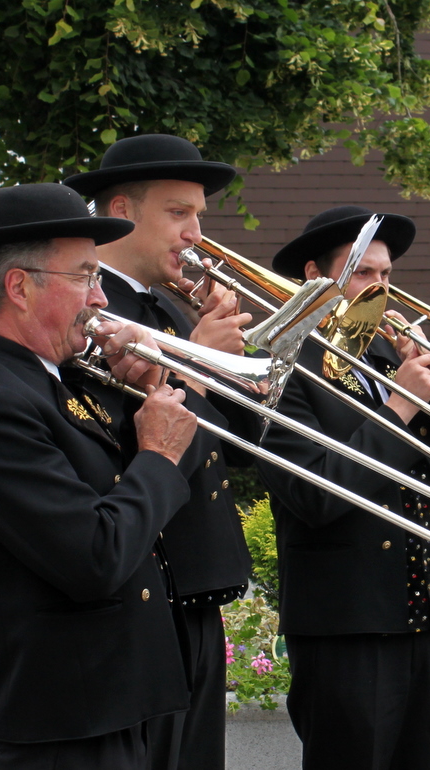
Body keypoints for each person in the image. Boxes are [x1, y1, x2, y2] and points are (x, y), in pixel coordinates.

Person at [0, 183, 198, 769]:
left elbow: (107, 487)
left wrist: (142, 394)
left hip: (110, 702)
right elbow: (96, 556)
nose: (101, 297)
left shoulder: (49, 380)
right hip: (64, 722)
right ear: (19, 287)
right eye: (85, 276)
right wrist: (158, 455)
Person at [257, 205, 430, 770]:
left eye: (386, 274)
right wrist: (400, 406)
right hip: (347, 622)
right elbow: (314, 495)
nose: (380, 287)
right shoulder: (281, 362)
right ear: (315, 276)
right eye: (363, 273)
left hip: (421, 613)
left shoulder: (384, 353)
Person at [64, 134, 254, 770]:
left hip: (195, 586)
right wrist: (198, 365)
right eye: (178, 213)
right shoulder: (95, 318)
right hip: (152, 590)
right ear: (121, 212)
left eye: (198, 214)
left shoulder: (166, 308)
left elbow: (242, 443)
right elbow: (130, 446)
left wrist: (223, 360)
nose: (196, 233)